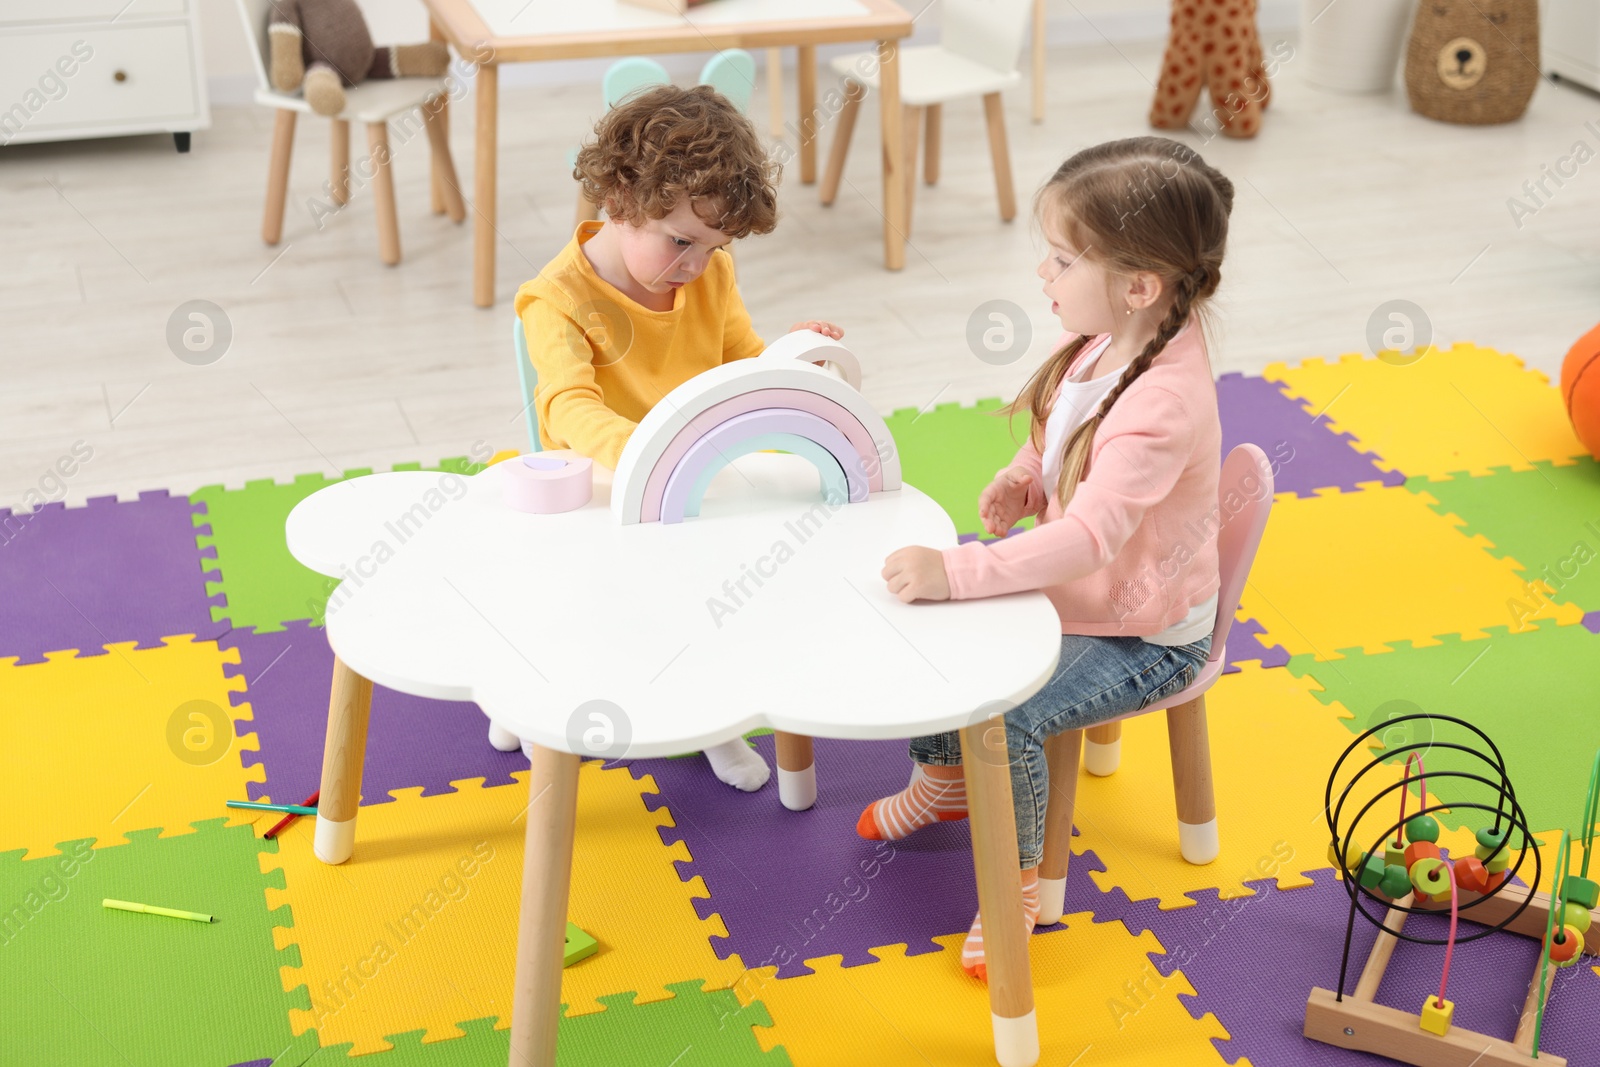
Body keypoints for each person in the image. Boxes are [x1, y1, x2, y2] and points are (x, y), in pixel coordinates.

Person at [869, 137, 1233, 979]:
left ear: (1140, 285)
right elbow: (1064, 436)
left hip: (1146, 635)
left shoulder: (1165, 402)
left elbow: (1092, 537)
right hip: (1088, 593)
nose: (1044, 272)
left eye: (1063, 258)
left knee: (1007, 712)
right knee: (941, 635)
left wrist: (962, 572)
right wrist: (1026, 476)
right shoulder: (1103, 342)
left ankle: (1017, 883)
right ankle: (943, 781)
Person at [514, 84, 841, 791]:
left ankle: (713, 712)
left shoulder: (709, 272)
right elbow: (568, 405)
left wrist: (793, 354)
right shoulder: (558, 298)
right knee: (665, 587)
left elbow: (744, 360)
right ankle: (694, 711)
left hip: (692, 479)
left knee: (751, 569)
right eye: (682, 242)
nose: (696, 264)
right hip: (603, 490)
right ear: (622, 201)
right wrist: (650, 450)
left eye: (713, 246)